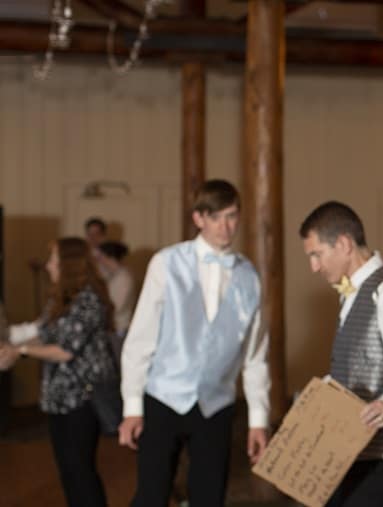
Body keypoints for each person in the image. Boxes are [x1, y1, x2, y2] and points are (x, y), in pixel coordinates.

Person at [118, 179, 270, 507]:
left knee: (209, 498)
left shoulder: (249, 275)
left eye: (231, 216)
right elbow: (140, 339)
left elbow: (256, 354)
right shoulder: (166, 263)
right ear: (198, 218)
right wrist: (132, 407)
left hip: (216, 404)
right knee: (150, 497)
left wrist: (258, 420)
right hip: (163, 398)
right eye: (215, 217)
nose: (225, 226)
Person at [299, 201, 383, 507]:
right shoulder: (353, 293)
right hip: (351, 454)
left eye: (316, 254)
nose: (314, 266)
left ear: (344, 244)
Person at [0, 237, 118, 507]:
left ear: (69, 264)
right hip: (59, 398)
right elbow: (43, 334)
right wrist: (11, 347)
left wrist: (21, 352)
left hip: (82, 399)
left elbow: (66, 350)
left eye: (53, 259)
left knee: (80, 470)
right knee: (68, 471)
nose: (49, 265)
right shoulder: (60, 298)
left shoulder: (88, 298)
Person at [95, 240, 136, 358]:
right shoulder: (113, 275)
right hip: (112, 328)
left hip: (120, 328)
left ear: (109, 256)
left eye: (100, 257)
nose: (99, 260)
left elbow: (117, 306)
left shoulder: (124, 277)